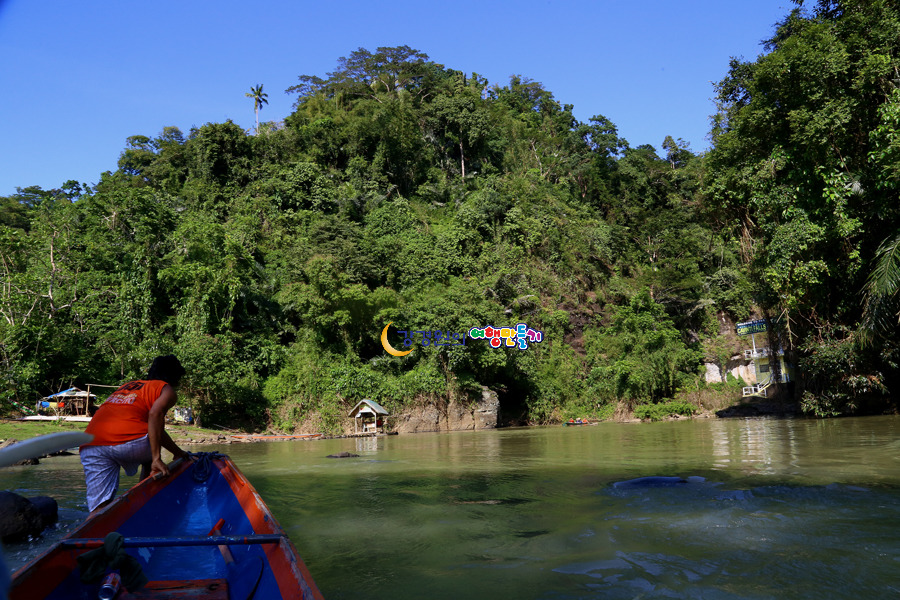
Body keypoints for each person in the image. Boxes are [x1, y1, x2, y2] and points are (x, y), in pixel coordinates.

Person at [80, 355, 189, 512]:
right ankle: (145, 501)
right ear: (175, 376)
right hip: (129, 443)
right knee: (152, 451)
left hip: (91, 445)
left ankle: (95, 521)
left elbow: (156, 429)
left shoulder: (128, 386)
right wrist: (156, 458)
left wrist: (178, 452)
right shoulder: (166, 389)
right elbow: (155, 416)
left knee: (99, 508)